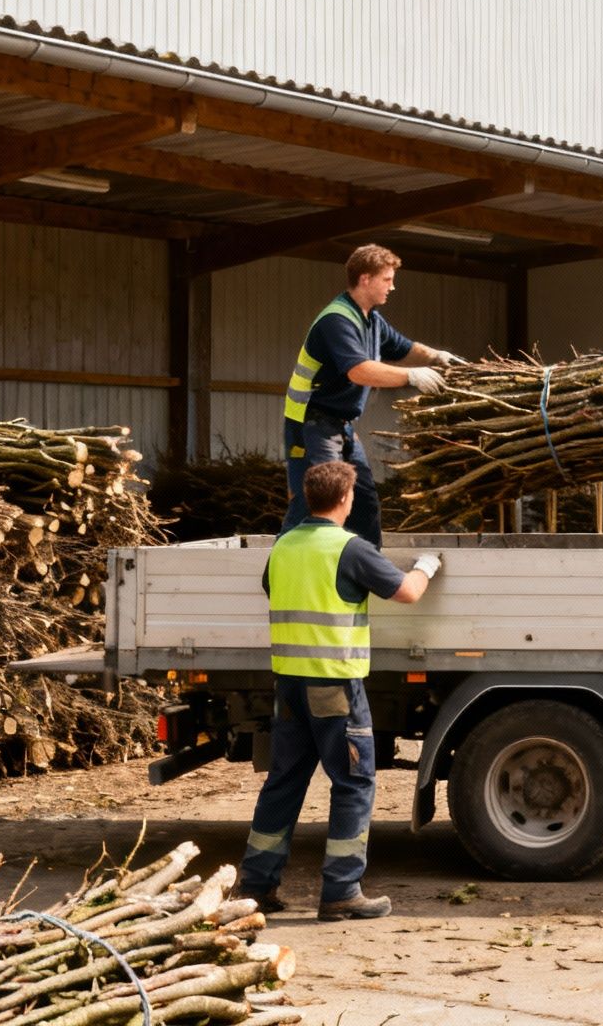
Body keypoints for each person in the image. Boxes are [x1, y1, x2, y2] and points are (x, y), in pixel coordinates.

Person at [239, 460, 440, 921]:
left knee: (283, 783)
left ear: (308, 498)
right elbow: (408, 592)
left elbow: (274, 589)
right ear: (346, 499)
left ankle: (255, 885)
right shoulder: (349, 548)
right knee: (353, 784)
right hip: (333, 685)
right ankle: (341, 890)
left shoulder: (284, 546)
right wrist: (427, 566)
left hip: (289, 685)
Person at [281, 243, 464, 546]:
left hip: (339, 424)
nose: (393, 286)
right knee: (319, 500)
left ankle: (365, 563)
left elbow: (403, 348)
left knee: (363, 499)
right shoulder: (337, 320)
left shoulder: (371, 320)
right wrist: (411, 376)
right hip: (311, 423)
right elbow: (359, 370)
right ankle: (280, 567)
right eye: (387, 279)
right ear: (365, 279)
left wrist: (436, 357)